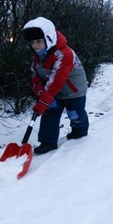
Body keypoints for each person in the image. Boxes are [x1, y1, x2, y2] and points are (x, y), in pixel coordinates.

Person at [21, 17, 89, 154]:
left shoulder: (64, 54)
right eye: (33, 42)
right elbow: (35, 76)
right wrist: (41, 93)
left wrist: (44, 100)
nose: (35, 45)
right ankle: (48, 142)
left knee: (74, 114)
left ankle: (80, 131)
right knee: (50, 113)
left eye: (39, 41)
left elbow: (57, 79)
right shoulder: (38, 56)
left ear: (49, 38)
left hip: (73, 90)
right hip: (53, 91)